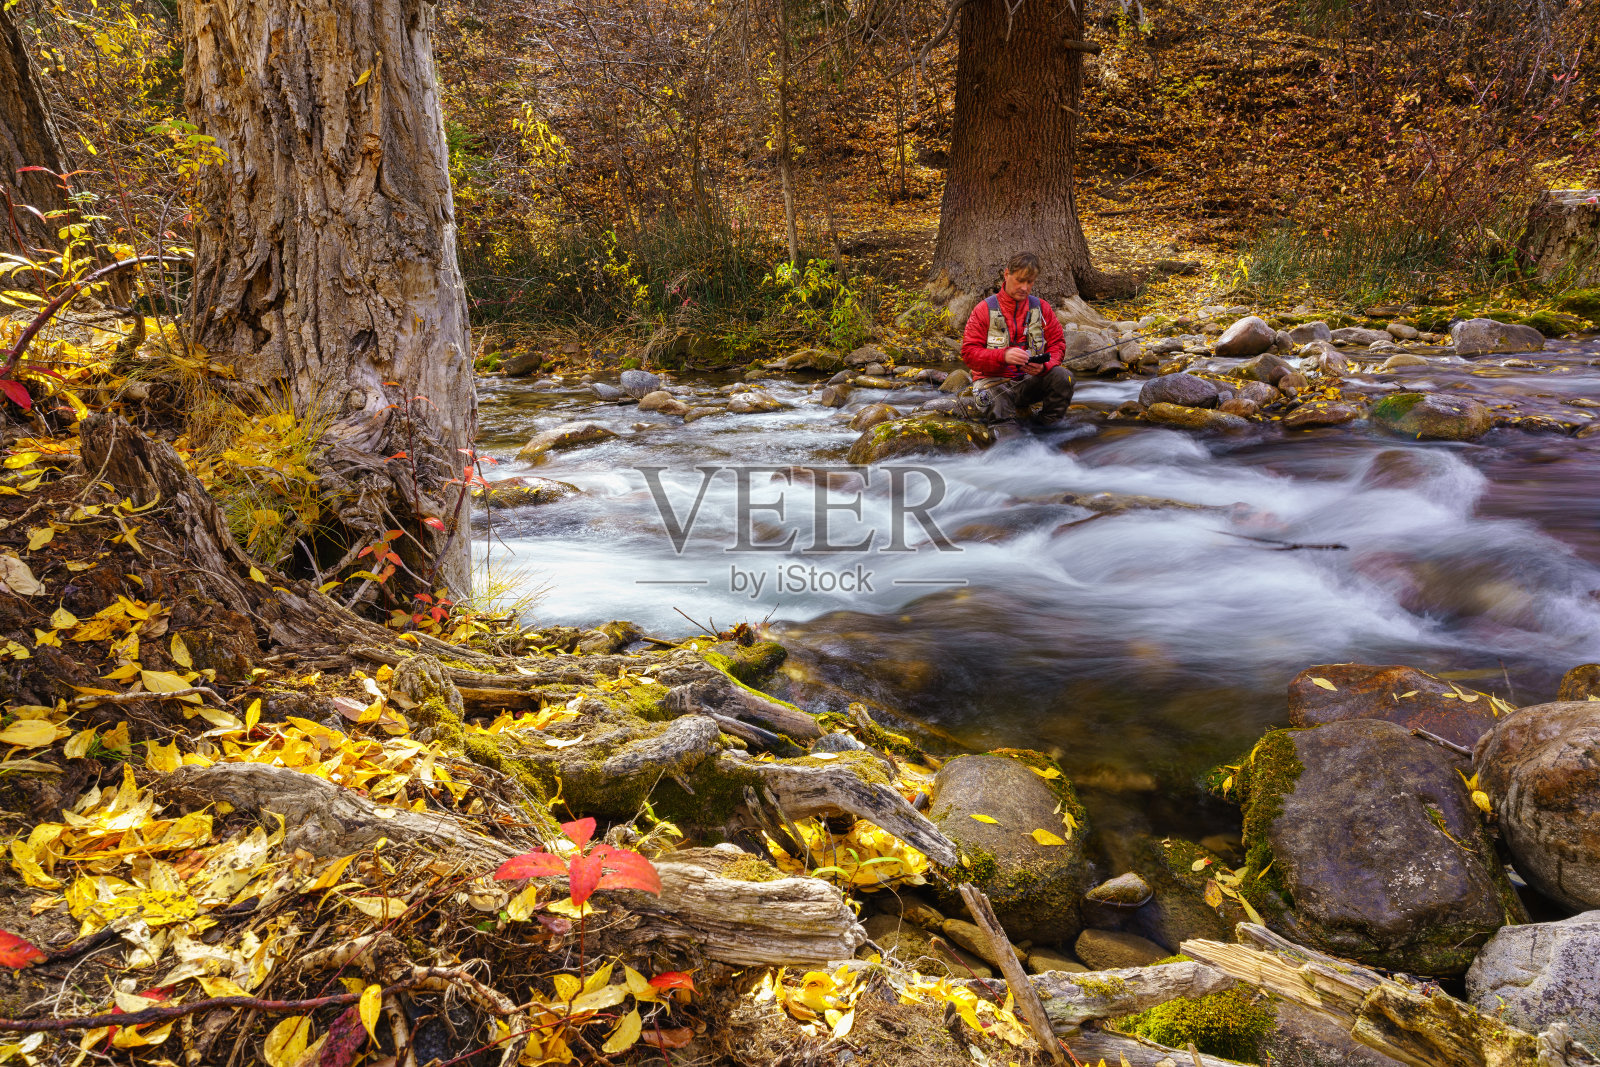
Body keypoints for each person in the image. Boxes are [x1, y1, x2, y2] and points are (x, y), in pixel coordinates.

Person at [958, 252, 1075, 424]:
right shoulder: (983, 309)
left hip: (1028, 384)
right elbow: (969, 353)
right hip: (992, 385)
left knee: (1063, 376)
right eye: (1020, 280)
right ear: (1007, 274)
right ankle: (1009, 443)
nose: (1024, 288)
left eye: (1030, 282)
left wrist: (1044, 367)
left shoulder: (1042, 308)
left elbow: (1057, 345)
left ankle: (1049, 431)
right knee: (999, 408)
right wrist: (1003, 356)